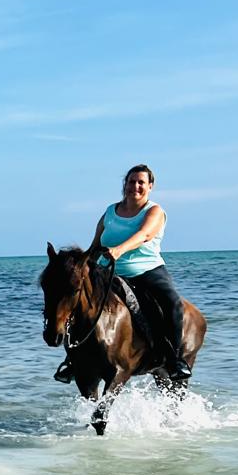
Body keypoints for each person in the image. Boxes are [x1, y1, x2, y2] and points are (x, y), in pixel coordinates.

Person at [55, 163, 191, 384]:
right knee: (75, 302)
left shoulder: (154, 211)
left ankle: (174, 359)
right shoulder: (110, 212)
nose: (135, 186)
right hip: (105, 272)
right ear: (124, 185)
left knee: (172, 303)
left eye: (140, 182)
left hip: (146, 270)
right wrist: (78, 264)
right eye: (131, 182)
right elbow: (95, 244)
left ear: (150, 186)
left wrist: (119, 250)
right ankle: (73, 360)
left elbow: (144, 235)